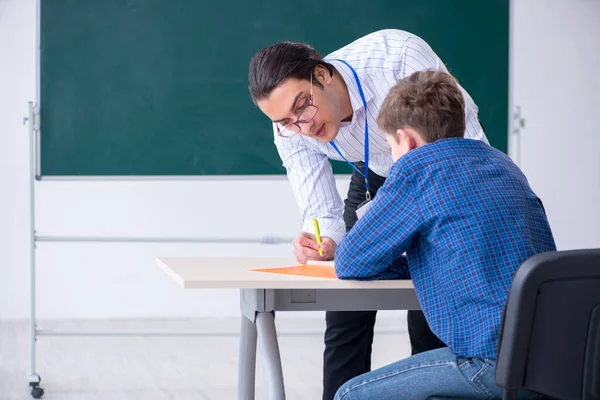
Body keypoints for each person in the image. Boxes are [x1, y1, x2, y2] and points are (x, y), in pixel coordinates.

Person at [247, 29, 488, 399]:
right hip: (372, 170)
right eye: (285, 121)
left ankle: (428, 386)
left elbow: (464, 145)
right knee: (346, 307)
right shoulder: (290, 128)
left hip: (439, 168)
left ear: (322, 74)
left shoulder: (396, 58)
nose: (303, 126)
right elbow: (320, 209)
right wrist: (325, 240)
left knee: (429, 297)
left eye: (302, 107)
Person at [332, 70, 556, 399]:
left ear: (405, 139)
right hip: (559, 362)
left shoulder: (416, 169)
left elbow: (350, 261)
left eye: (391, 145)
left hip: (493, 365)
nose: (392, 156)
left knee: (350, 394)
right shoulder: (502, 163)